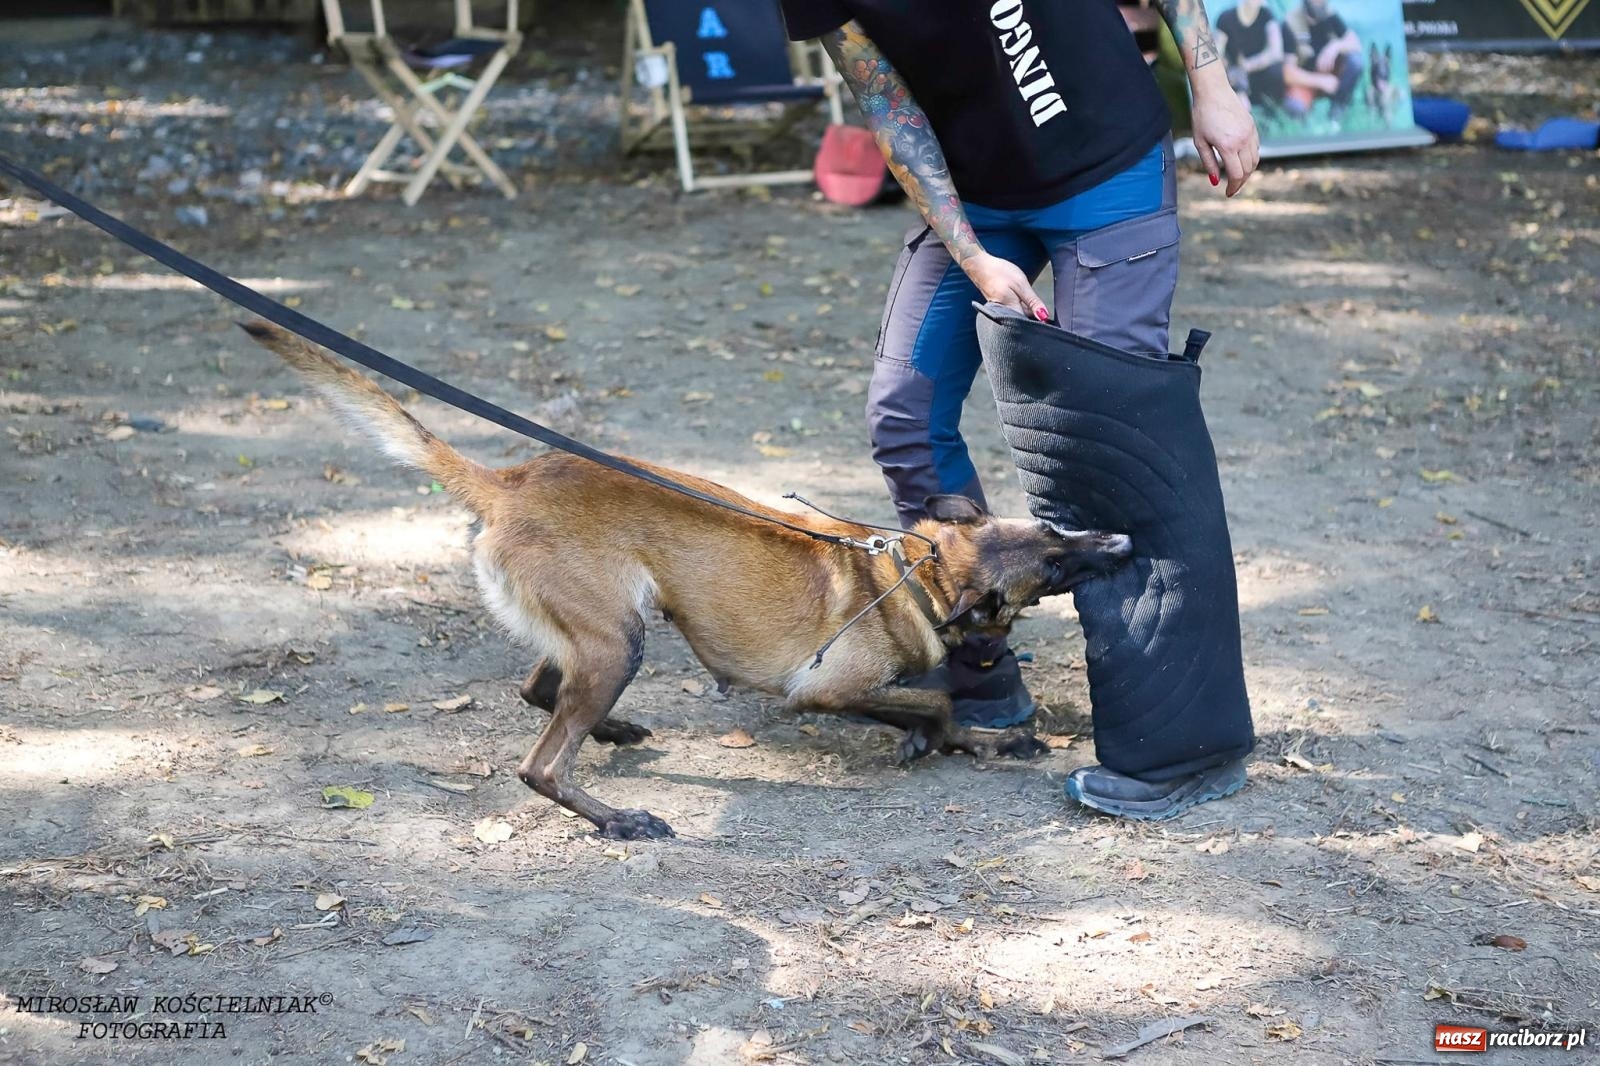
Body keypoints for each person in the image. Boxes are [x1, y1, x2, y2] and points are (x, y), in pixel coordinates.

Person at [779, 0, 1259, 817]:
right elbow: (889, 105)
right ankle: (981, 673)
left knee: (1113, 443)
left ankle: (1182, 749)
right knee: (905, 410)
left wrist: (1211, 84)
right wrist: (971, 254)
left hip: (1107, 164)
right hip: (975, 197)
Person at [1286, 0, 1365, 119]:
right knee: (1294, 106)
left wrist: (1335, 46)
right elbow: (1287, 72)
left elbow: (1356, 44)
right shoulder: (1291, 22)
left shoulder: (1330, 15)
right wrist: (1320, 81)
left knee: (1355, 61)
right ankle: (1307, 122)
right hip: (1305, 80)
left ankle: (1337, 111)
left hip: (1331, 75)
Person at [1214, 0, 1293, 114]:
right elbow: (1218, 55)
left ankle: (1272, 109)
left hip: (1256, 72)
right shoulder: (1226, 18)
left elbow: (1276, 52)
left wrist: (1248, 65)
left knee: (1276, 72)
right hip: (1233, 75)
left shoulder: (1266, 15)